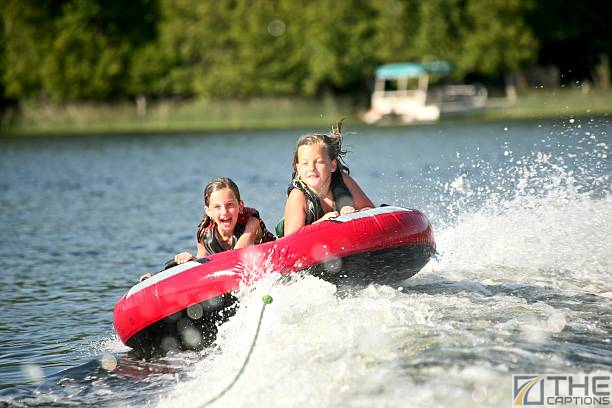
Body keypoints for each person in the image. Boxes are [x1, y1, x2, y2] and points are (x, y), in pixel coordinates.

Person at [140, 177, 275, 281]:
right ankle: (154, 279)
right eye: (217, 207)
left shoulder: (251, 222)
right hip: (230, 275)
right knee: (180, 264)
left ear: (240, 206)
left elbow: (237, 256)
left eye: (230, 205)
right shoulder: (205, 235)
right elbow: (201, 266)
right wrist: (191, 260)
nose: (224, 212)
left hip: (271, 268)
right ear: (208, 211)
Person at [276, 121, 374, 237]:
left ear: (332, 166)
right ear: (298, 168)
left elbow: (370, 210)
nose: (311, 168)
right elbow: (291, 238)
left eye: (319, 162)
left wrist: (353, 214)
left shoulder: (343, 181)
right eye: (305, 163)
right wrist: (322, 223)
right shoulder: (298, 195)